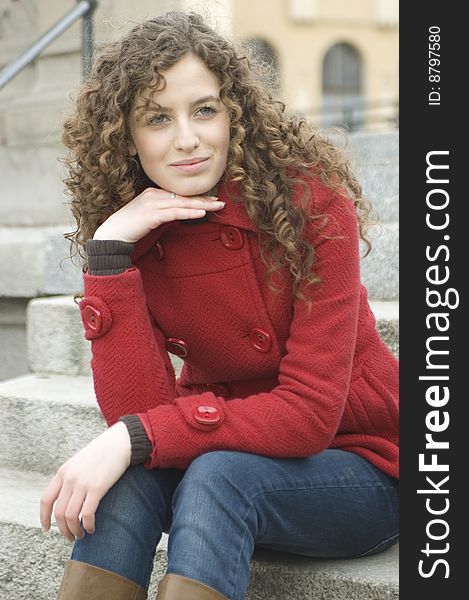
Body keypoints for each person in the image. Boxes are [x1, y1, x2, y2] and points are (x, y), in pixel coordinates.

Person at [40, 10, 399, 600]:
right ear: (125, 136)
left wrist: (130, 437)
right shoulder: (141, 232)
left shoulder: (309, 201)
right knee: (129, 480)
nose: (187, 139)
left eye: (204, 110)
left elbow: (309, 414)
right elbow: (142, 408)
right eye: (158, 118)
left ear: (235, 113)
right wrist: (108, 257)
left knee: (209, 472)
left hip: (359, 467)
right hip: (230, 453)